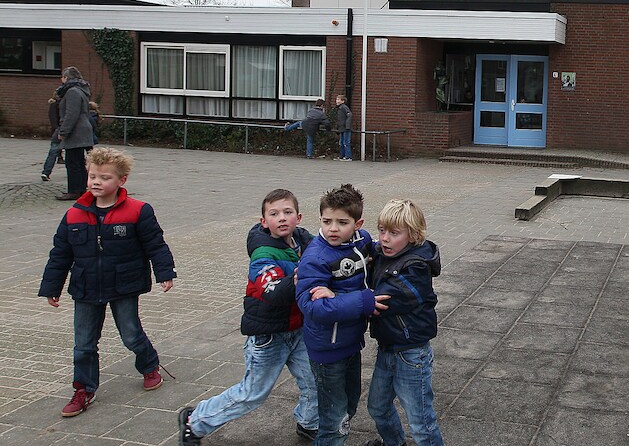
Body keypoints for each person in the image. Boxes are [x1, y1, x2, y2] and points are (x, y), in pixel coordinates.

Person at [38, 147, 176, 418]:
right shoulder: (74, 214)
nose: (96, 182)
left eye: (105, 177)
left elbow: (155, 245)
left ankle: (149, 365)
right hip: (86, 287)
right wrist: (52, 287)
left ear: (121, 180)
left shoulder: (138, 211)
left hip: (124, 284)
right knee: (84, 344)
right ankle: (83, 389)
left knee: (131, 334)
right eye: (92, 176)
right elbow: (60, 254)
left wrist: (165, 272)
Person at [177, 189, 319, 444]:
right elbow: (272, 291)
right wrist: (299, 278)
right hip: (269, 336)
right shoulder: (262, 254)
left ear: (298, 217)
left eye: (287, 212)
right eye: (274, 214)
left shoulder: (304, 241)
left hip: (298, 329)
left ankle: (309, 422)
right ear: (264, 221)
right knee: (252, 393)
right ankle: (195, 420)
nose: (282, 218)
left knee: (314, 380)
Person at [296, 184, 387, 446]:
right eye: (326, 221)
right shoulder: (316, 257)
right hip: (328, 349)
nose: (332, 229)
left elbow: (377, 252)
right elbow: (312, 307)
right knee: (334, 420)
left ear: (358, 224)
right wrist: (363, 300)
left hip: (350, 342)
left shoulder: (361, 241)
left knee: (348, 405)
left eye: (342, 222)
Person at [363, 199, 445, 446]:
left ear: (413, 235)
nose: (384, 238)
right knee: (378, 407)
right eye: (381, 230)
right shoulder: (383, 254)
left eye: (394, 233)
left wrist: (344, 300)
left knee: (421, 421)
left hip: (411, 353)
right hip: (388, 347)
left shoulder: (416, 267)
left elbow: (382, 301)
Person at [53, 66, 96, 200]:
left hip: (76, 132)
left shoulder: (72, 92)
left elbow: (71, 114)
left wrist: (63, 131)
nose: (61, 80)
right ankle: (81, 189)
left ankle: (74, 190)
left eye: (62, 77)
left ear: (66, 77)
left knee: (72, 162)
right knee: (79, 161)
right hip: (82, 130)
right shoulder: (81, 90)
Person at [41, 91, 63, 181]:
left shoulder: (55, 104)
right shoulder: (59, 104)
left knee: (53, 151)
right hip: (61, 130)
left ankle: (46, 172)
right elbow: (54, 118)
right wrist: (57, 129)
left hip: (58, 130)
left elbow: (53, 118)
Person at [334, 95, 353, 161]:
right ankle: (342, 156)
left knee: (346, 142)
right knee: (341, 143)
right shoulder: (340, 108)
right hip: (341, 128)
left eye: (338, 99)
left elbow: (349, 115)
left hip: (345, 128)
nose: (337, 101)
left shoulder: (344, 107)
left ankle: (348, 157)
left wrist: (347, 126)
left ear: (343, 101)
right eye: (336, 99)